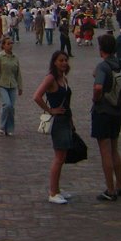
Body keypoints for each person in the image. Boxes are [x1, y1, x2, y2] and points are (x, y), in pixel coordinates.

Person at [33, 51, 74, 204]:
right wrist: (50, 109)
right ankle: (52, 192)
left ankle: (57, 189)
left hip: (65, 119)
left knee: (62, 157)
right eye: (61, 60)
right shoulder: (51, 78)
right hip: (57, 121)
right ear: (54, 62)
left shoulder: (63, 78)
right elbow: (37, 96)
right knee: (58, 158)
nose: (64, 63)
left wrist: (71, 120)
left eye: (65, 60)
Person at [91, 33, 121, 202]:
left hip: (103, 111)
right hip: (118, 110)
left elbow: (98, 87)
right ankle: (119, 185)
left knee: (105, 151)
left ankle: (110, 189)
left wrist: (95, 99)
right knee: (115, 149)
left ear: (101, 49)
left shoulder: (103, 66)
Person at [0, 37, 22, 136]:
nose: (10, 45)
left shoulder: (15, 57)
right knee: (7, 105)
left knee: (11, 108)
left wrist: (20, 86)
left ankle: (10, 128)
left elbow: (18, 73)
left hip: (12, 85)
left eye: (11, 43)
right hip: (2, 84)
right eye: (8, 44)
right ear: (3, 45)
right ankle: (2, 126)